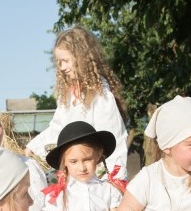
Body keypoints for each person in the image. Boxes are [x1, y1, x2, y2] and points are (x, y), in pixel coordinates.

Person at [25, 26, 129, 183]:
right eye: (59, 62)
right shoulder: (68, 94)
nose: (62, 67)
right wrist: (33, 148)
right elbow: (58, 128)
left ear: (82, 58)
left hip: (96, 177)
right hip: (74, 174)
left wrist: (115, 182)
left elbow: (114, 138)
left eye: (65, 61)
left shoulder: (101, 95)